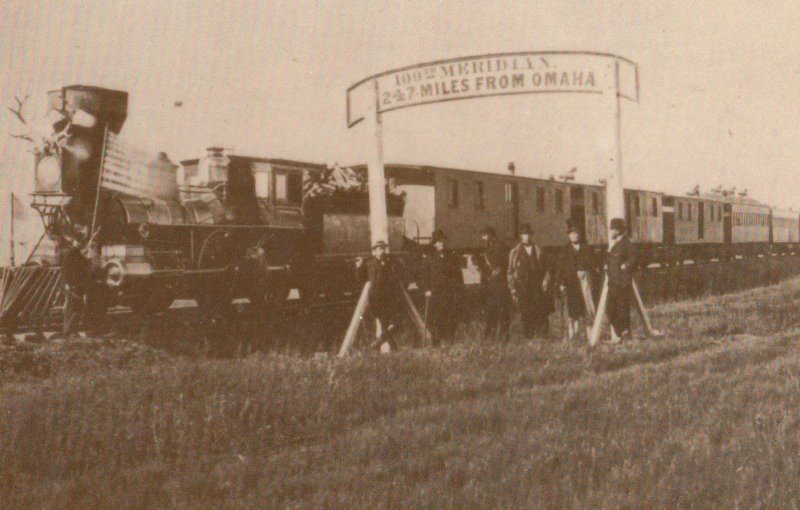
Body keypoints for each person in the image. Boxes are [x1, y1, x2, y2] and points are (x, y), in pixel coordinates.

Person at [355, 240, 404, 349]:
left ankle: (376, 345)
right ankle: (392, 348)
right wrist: (358, 267)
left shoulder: (391, 261)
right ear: (374, 251)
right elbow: (360, 278)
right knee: (384, 324)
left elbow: (401, 271)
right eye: (378, 249)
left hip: (391, 298)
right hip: (376, 299)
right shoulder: (369, 263)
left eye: (382, 249)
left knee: (396, 322)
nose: (381, 251)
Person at [508, 223, 552, 338]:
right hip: (522, 286)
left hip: (537, 285)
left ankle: (543, 335)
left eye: (528, 234)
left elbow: (546, 269)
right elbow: (510, 271)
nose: (526, 237)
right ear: (521, 236)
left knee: (541, 311)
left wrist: (545, 282)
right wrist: (512, 287)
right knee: (526, 312)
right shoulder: (515, 252)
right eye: (524, 234)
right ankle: (528, 336)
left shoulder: (538, 250)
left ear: (531, 235)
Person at [556, 220, 597, 341]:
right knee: (572, 310)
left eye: (577, 233)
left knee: (587, 309)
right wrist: (561, 283)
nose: (575, 235)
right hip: (571, 284)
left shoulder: (587, 249)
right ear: (568, 235)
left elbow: (594, 265)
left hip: (585, 285)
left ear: (580, 234)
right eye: (572, 233)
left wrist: (585, 271)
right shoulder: (564, 251)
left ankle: (590, 334)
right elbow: (560, 269)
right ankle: (572, 334)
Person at [420, 229, 463, 344]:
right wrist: (426, 289)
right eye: (438, 242)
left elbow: (457, 274)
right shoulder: (430, 258)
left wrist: (458, 288)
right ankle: (436, 339)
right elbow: (424, 275)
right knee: (435, 316)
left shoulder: (451, 257)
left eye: (442, 241)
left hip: (449, 291)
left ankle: (449, 339)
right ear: (434, 244)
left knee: (449, 315)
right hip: (435, 291)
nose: (441, 244)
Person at [606, 217, 637, 343]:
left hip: (622, 282)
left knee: (622, 308)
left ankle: (625, 334)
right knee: (610, 309)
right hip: (613, 282)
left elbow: (634, 258)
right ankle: (620, 334)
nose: (611, 232)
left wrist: (626, 266)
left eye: (612, 229)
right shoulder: (616, 243)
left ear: (618, 230)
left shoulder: (626, 243)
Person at [477, 226, 511, 342]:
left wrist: (483, 265)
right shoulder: (493, 246)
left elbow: (499, 265)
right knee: (495, 310)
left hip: (499, 283)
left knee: (500, 310)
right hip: (494, 284)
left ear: (490, 236)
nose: (483, 238)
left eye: (485, 236)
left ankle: (500, 335)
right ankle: (495, 335)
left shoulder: (499, 246)